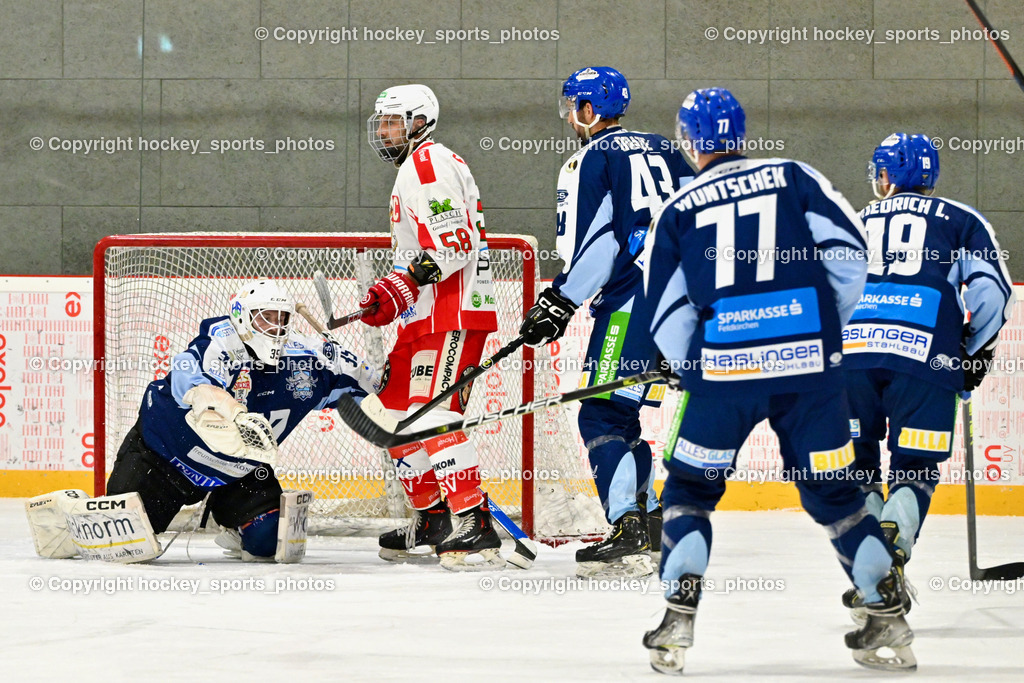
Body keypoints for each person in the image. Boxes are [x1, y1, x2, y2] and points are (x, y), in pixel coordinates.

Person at [641, 88, 915, 673]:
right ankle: (885, 615)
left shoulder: (679, 206)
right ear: (741, 133)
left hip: (724, 374)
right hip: (811, 374)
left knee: (689, 491)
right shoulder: (794, 175)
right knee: (838, 495)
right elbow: (848, 255)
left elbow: (666, 312)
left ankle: (677, 619)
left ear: (688, 142)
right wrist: (815, 333)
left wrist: (691, 364)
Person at [519, 66, 692, 578]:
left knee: (598, 414)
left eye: (573, 105)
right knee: (623, 415)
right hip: (682, 304)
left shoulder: (589, 158)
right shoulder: (668, 150)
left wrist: (561, 299)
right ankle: (652, 521)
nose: (570, 116)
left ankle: (627, 527)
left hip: (632, 301)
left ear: (589, 110)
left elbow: (600, 245)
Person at [841, 133, 1014, 618]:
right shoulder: (962, 219)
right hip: (925, 360)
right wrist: (972, 354)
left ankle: (873, 565)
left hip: (851, 360)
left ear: (887, 175)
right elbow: (993, 295)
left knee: (857, 470)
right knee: (914, 469)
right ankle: (892, 548)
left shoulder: (852, 221)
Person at [105, 278, 377, 561]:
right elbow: (192, 384)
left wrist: (361, 373)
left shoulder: (306, 359)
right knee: (122, 543)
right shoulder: (220, 341)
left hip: (237, 471)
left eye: (281, 319)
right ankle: (60, 516)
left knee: (269, 541)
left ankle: (235, 523)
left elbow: (367, 398)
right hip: (164, 460)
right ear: (242, 318)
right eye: (265, 318)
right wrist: (231, 411)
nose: (275, 327)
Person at [363, 84, 502, 570]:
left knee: (429, 416)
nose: (383, 131)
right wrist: (395, 295)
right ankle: (433, 517)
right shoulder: (414, 167)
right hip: (426, 311)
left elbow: (456, 242)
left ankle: (474, 520)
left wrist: (402, 283)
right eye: (380, 122)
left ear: (420, 122)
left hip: (453, 310)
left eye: (392, 121)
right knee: (392, 414)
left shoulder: (429, 163)